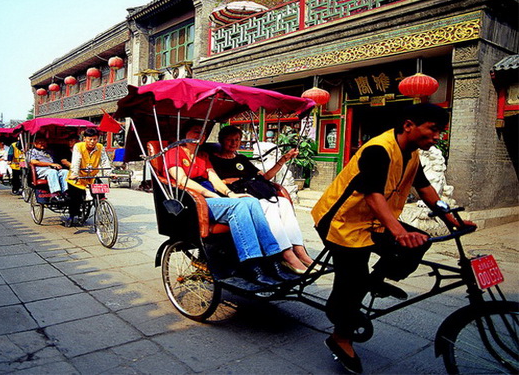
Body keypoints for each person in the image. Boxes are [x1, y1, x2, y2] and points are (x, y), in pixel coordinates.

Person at [311, 103, 476, 374]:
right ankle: (340, 336)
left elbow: (425, 189)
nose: (436, 137)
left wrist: (451, 220)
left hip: (373, 220)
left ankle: (375, 281)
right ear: (409, 125)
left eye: (439, 132)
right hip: (342, 222)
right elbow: (373, 196)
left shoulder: (411, 153)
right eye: (433, 130)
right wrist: (399, 232)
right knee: (352, 280)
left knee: (419, 241)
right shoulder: (378, 149)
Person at [162, 120, 300, 286]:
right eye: (195, 131)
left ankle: (273, 258)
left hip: (210, 198)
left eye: (203, 132)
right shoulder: (174, 152)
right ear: (184, 134)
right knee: (239, 207)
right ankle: (251, 264)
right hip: (191, 201)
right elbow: (182, 179)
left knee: (251, 202)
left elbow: (214, 178)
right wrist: (213, 195)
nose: (200, 135)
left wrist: (230, 194)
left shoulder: (202, 155)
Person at [209, 125, 315, 273]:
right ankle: (286, 253)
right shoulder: (213, 159)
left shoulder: (241, 159)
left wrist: (282, 160)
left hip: (253, 192)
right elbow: (214, 182)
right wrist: (231, 181)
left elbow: (264, 177)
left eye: (237, 140)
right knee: (268, 206)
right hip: (236, 198)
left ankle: (299, 250)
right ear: (221, 140)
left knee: (282, 202)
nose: (234, 143)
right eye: (230, 140)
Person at [66, 128, 111, 227]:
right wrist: (74, 173)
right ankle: (72, 215)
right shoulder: (78, 146)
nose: (92, 142)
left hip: (91, 176)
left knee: (100, 193)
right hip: (78, 177)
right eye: (90, 139)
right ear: (84, 138)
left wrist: (109, 173)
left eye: (95, 139)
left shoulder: (100, 147)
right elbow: (76, 160)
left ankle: (102, 213)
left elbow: (104, 161)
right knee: (75, 197)